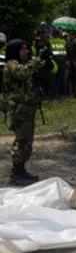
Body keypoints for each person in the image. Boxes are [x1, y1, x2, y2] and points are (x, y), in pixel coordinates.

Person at [2, 40, 52, 185]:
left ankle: (21, 170)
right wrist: (38, 59)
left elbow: (44, 68)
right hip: (19, 109)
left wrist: (46, 60)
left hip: (28, 108)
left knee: (27, 142)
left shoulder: (26, 64)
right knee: (21, 141)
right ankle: (16, 173)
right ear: (15, 51)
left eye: (27, 49)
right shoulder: (11, 64)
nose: (27, 51)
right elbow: (23, 73)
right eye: (23, 49)